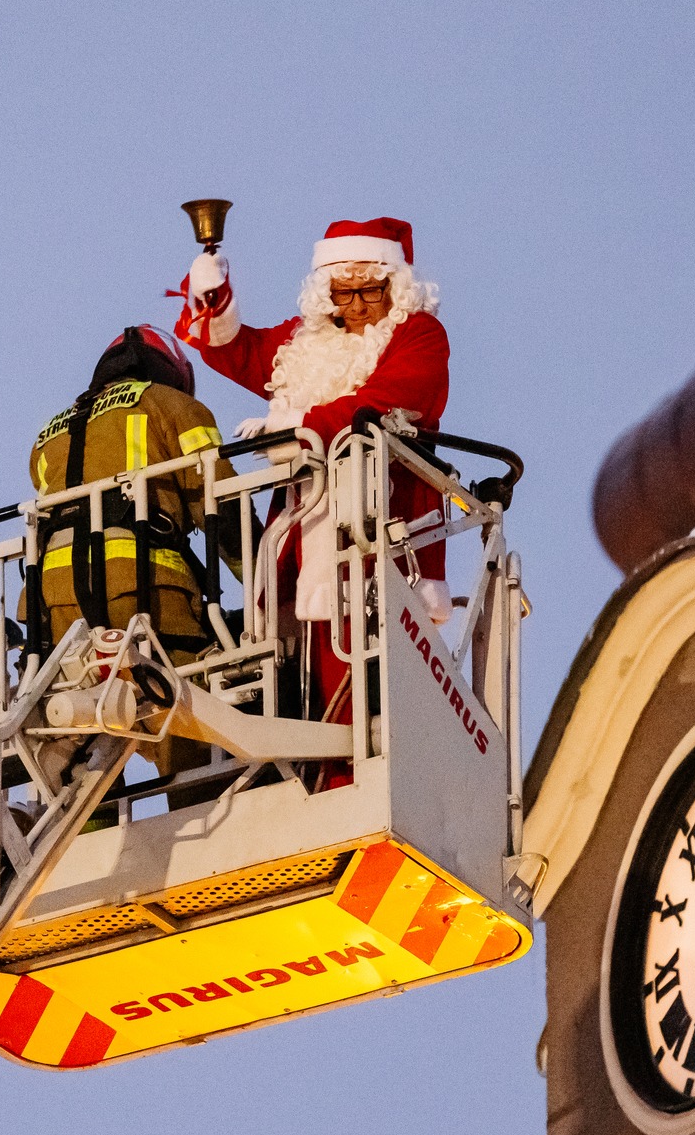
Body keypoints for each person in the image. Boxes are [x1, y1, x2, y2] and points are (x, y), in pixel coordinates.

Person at [174, 217, 453, 724]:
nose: (356, 307)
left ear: (397, 284)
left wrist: (294, 428)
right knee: (293, 661)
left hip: (381, 523)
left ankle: (339, 766)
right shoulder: (309, 341)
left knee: (356, 658)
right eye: (343, 294)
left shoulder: (421, 335)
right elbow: (244, 352)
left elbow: (386, 402)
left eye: (370, 290)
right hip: (303, 525)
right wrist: (213, 296)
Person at [27, 324, 236, 789]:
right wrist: (267, 582)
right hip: (144, 587)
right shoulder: (173, 405)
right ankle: (202, 816)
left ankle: (87, 843)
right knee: (183, 707)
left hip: (55, 604)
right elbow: (223, 503)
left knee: (77, 725)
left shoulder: (49, 435)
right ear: (173, 374)